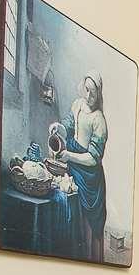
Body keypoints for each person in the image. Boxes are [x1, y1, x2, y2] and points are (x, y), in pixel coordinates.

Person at [51, 72, 108, 260]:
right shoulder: (77, 105)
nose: (90, 96)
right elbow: (67, 126)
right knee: (75, 219)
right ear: (84, 88)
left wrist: (68, 156)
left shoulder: (99, 120)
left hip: (90, 178)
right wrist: (57, 127)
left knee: (90, 226)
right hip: (74, 170)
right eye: (87, 90)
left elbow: (93, 158)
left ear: (99, 93)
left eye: (94, 92)